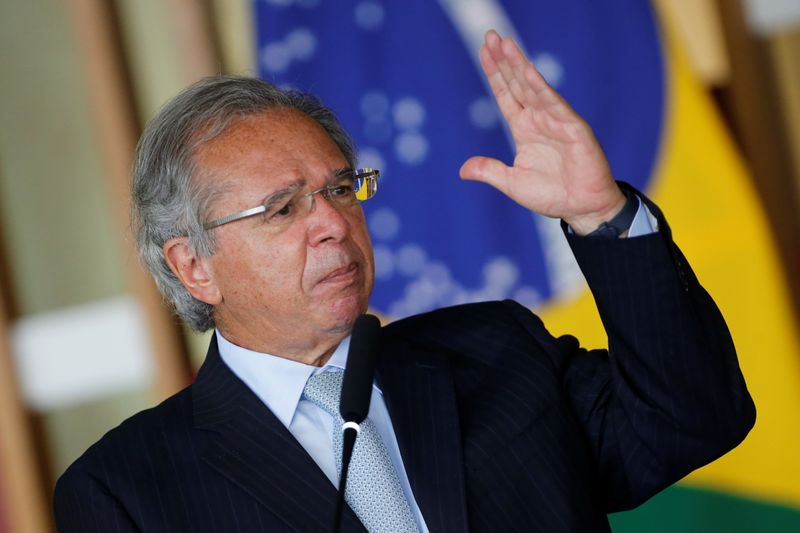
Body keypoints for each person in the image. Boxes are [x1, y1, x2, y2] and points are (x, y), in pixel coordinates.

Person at [54, 31, 754, 532]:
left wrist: (602, 214)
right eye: (284, 207)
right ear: (193, 265)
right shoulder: (126, 491)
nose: (331, 223)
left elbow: (692, 418)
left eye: (338, 189)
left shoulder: (496, 351)